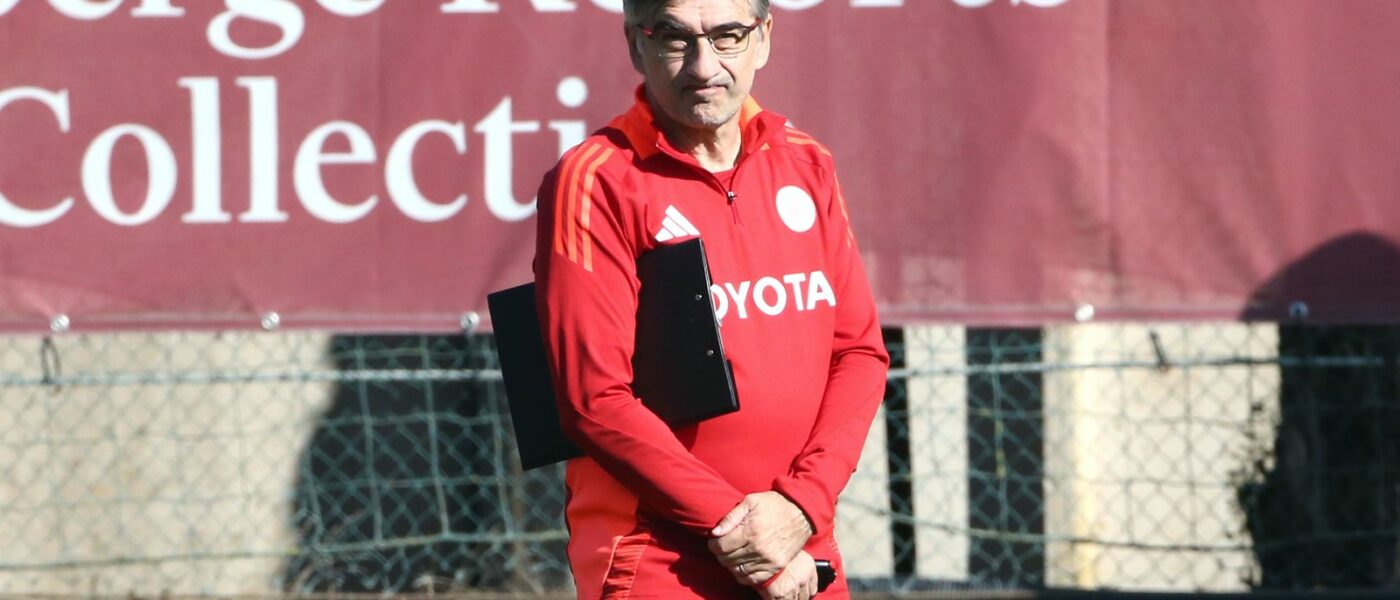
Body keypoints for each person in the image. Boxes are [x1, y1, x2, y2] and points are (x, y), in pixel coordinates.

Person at [532, 0, 889, 597]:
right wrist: (746, 536)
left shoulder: (806, 162)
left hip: (801, 543)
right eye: (675, 39)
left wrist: (802, 506)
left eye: (727, 36)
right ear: (633, 43)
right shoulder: (596, 178)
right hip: (661, 557)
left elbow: (859, 354)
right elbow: (595, 400)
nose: (703, 66)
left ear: (763, 38)